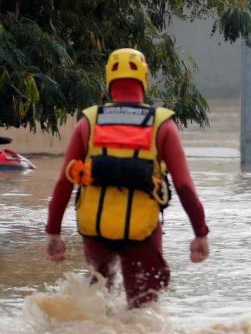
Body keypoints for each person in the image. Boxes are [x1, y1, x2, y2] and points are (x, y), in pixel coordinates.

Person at [45, 48, 209, 308]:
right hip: (142, 231)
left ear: (108, 80)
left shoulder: (88, 123)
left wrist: (54, 232)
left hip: (95, 230)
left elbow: (65, 182)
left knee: (98, 302)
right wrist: (200, 233)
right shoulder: (162, 125)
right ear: (144, 78)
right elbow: (185, 186)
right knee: (142, 310)